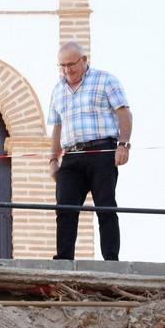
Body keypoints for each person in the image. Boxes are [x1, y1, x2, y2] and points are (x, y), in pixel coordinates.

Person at [48, 42, 132, 261]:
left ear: (84, 60)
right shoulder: (57, 90)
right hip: (71, 157)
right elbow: (57, 126)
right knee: (65, 208)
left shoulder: (105, 80)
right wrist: (52, 159)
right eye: (62, 65)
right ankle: (64, 259)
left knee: (105, 206)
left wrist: (123, 145)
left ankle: (111, 260)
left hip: (102, 151)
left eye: (71, 64)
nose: (67, 70)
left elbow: (124, 113)